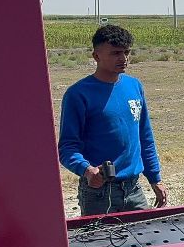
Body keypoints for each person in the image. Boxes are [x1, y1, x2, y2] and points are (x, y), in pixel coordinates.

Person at [58, 24, 168, 216]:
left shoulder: (134, 86)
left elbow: (145, 137)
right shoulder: (78, 94)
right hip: (99, 193)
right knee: (102, 245)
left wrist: (154, 178)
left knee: (145, 243)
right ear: (96, 56)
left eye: (126, 52)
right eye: (116, 53)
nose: (123, 58)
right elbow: (67, 148)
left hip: (134, 189)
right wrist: (87, 170)